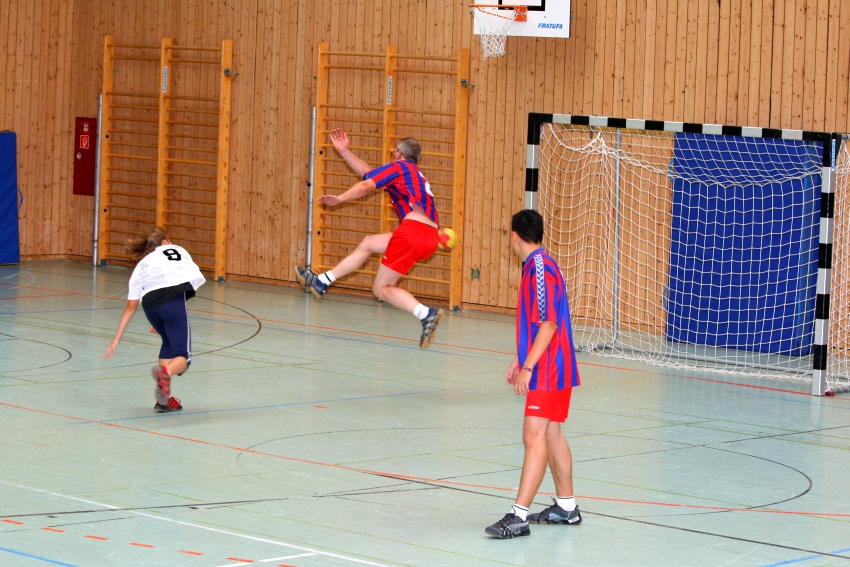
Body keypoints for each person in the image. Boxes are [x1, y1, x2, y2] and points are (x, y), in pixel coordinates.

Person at [296, 129, 445, 348]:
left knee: (381, 289)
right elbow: (369, 173)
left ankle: (426, 314)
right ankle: (322, 281)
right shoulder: (413, 175)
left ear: (398, 154)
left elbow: (367, 185)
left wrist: (340, 198)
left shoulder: (399, 167)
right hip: (429, 237)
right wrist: (344, 151)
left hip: (412, 232)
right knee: (368, 243)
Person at [485, 209, 582, 539]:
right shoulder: (538, 266)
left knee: (533, 436)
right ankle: (566, 508)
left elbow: (549, 324)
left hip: (549, 369)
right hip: (551, 364)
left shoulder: (539, 268)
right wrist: (521, 357)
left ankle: (518, 516)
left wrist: (529, 366)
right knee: (551, 433)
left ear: (514, 236)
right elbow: (539, 323)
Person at [105, 227, 205, 412]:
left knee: (168, 343)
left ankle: (165, 400)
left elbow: (131, 305)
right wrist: (171, 312)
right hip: (172, 301)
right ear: (165, 242)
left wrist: (117, 338)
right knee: (183, 357)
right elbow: (185, 280)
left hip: (150, 306)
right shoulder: (178, 250)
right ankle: (165, 373)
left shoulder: (142, 264)